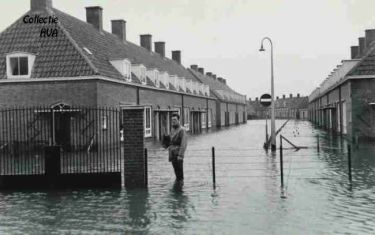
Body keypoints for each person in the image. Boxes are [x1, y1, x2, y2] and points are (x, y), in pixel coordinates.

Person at [168, 113, 187, 182]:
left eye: (175, 119)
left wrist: (180, 155)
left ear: (178, 120)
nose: (173, 121)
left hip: (178, 155)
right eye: (172, 120)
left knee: (180, 174)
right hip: (172, 154)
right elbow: (171, 140)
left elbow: (183, 143)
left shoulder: (182, 130)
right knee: (176, 173)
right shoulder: (172, 129)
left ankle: (180, 189)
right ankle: (178, 187)